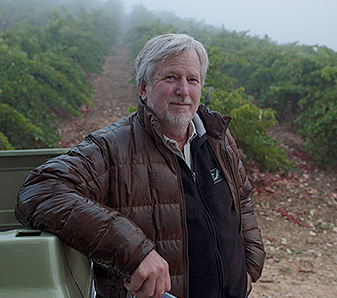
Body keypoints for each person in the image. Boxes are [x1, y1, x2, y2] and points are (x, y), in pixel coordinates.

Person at [15, 33, 265, 298]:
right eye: (171, 78)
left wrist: (249, 264)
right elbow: (40, 190)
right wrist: (134, 251)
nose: (184, 90)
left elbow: (241, 199)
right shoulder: (112, 147)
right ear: (144, 88)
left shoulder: (217, 137)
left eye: (192, 80)